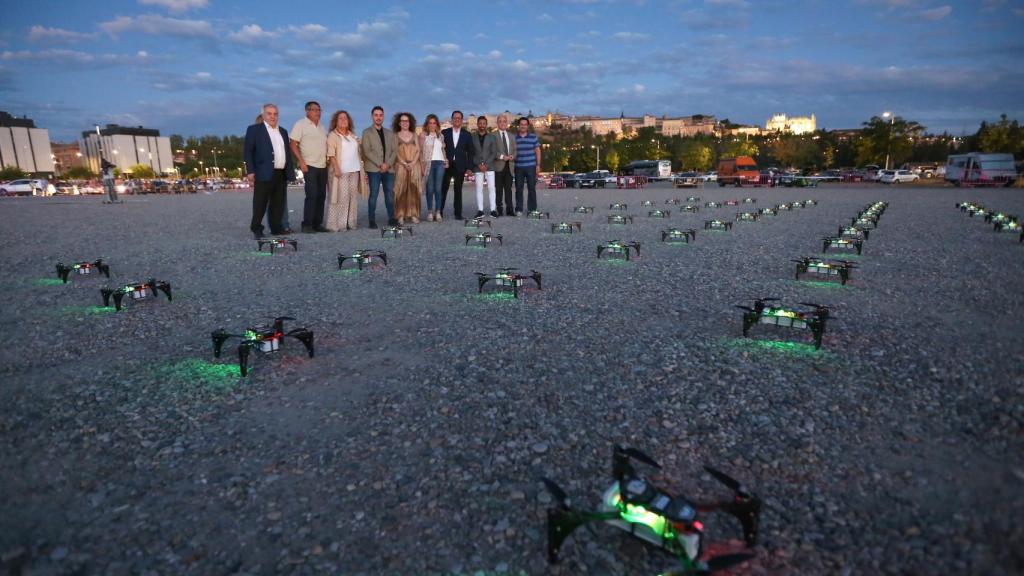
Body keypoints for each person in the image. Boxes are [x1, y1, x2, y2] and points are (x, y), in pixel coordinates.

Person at [244, 103, 293, 238]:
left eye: (275, 114)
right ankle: (257, 228)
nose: (273, 116)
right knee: (260, 202)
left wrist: (289, 171)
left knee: (278, 203)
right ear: (263, 115)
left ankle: (276, 227)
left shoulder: (283, 131)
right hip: (263, 172)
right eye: (269, 113)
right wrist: (250, 171)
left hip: (280, 172)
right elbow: (248, 151)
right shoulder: (254, 130)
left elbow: (286, 152)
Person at [290, 101, 328, 233]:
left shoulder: (322, 127)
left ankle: (317, 223)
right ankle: (307, 224)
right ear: (307, 111)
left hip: (323, 165)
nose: (318, 112)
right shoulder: (300, 124)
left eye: (319, 110)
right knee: (312, 194)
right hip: (309, 165)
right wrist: (301, 161)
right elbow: (293, 144)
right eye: (314, 110)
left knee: (322, 195)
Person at [360, 105, 398, 228]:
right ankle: (371, 220)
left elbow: (394, 151)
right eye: (376, 115)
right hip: (373, 168)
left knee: (389, 194)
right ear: (372, 117)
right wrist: (380, 164)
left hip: (389, 168)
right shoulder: (366, 132)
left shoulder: (390, 133)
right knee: (374, 194)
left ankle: (391, 218)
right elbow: (367, 151)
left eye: (380, 115)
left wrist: (388, 164)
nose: (378, 117)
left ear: (383, 116)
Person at [325, 110, 362, 231]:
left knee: (353, 197)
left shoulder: (353, 136)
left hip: (355, 170)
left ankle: (351, 223)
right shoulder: (333, 135)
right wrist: (336, 168)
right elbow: (331, 154)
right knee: (341, 197)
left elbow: (358, 153)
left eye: (345, 118)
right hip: (341, 171)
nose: (343, 120)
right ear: (335, 121)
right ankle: (339, 225)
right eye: (340, 118)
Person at [440, 110, 475, 221]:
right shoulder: (444, 133)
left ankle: (458, 214)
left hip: (460, 166)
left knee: (458, 190)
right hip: (446, 165)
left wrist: (469, 167)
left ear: (461, 120)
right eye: (455, 118)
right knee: (443, 189)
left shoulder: (467, 134)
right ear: (452, 119)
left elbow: (470, 152)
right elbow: (440, 149)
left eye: (459, 118)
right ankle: (439, 212)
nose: (457, 119)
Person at [392, 112, 422, 224]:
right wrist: (404, 163)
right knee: (400, 190)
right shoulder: (395, 136)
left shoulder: (414, 135)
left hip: (414, 166)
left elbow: (418, 150)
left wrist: (413, 163)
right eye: (403, 121)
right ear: (399, 123)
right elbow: (395, 152)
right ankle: (400, 215)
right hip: (401, 166)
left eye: (407, 121)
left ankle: (413, 214)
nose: (405, 123)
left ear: (410, 123)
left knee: (414, 190)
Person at [419, 114, 447, 222]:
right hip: (428, 163)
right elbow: (420, 152)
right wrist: (422, 165)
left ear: (437, 124)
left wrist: (446, 160)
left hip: (440, 163)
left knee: (438, 189)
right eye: (430, 123)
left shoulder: (440, 136)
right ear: (427, 124)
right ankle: (430, 212)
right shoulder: (423, 135)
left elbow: (443, 150)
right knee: (430, 189)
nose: (432, 125)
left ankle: (438, 211)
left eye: (434, 123)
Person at [471, 115, 499, 218]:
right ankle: (480, 210)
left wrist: (486, 164)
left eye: (484, 123)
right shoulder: (472, 137)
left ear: (486, 124)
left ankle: (493, 210)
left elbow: (494, 152)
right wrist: (478, 164)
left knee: (492, 188)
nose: (482, 125)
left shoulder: (492, 137)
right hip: (477, 167)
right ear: (477, 124)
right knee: (479, 189)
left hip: (490, 166)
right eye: (480, 123)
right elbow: (471, 153)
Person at [513, 116, 541, 216]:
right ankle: (519, 209)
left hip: (531, 166)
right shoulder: (514, 138)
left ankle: (532, 209)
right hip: (518, 167)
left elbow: (538, 151)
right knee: (519, 189)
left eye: (525, 124)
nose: (523, 126)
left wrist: (538, 165)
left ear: (527, 126)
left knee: (532, 189)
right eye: (521, 124)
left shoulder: (533, 137)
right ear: (518, 126)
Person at [493, 114, 516, 216]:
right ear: (497, 123)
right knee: (498, 190)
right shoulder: (493, 136)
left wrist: (513, 156)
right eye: (500, 121)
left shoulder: (511, 136)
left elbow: (515, 150)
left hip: (510, 166)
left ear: (507, 123)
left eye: (504, 121)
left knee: (508, 189)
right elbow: (492, 151)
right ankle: (499, 209)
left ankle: (510, 209)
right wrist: (502, 157)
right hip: (498, 166)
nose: (502, 123)